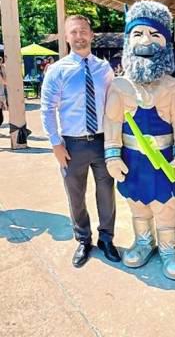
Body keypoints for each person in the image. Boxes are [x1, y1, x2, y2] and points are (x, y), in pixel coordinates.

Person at [104, 1, 175, 280]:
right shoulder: (118, 86)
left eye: (155, 35)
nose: (146, 41)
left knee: (165, 206)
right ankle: (144, 241)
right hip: (131, 159)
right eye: (138, 34)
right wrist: (112, 155)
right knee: (136, 204)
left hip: (164, 158)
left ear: (166, 43)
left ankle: (169, 247)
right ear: (128, 40)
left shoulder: (174, 86)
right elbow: (112, 122)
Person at [41, 15, 120, 268]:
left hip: (101, 141)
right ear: (66, 37)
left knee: (106, 193)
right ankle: (83, 240)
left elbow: (114, 105)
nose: (79, 36)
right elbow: (47, 109)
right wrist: (56, 144)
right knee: (76, 196)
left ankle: (107, 239)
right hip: (71, 145)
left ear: (91, 34)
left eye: (83, 31)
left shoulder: (104, 69)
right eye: (73, 32)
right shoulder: (57, 71)